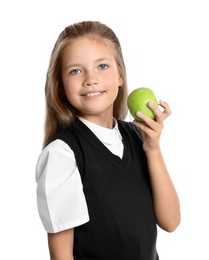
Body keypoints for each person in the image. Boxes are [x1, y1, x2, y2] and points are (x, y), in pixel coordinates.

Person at [35, 20, 180, 260]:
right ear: (60, 86)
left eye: (102, 66)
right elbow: (61, 256)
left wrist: (153, 149)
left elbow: (171, 221)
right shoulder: (62, 153)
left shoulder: (136, 137)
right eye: (75, 70)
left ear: (120, 76)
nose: (90, 79)